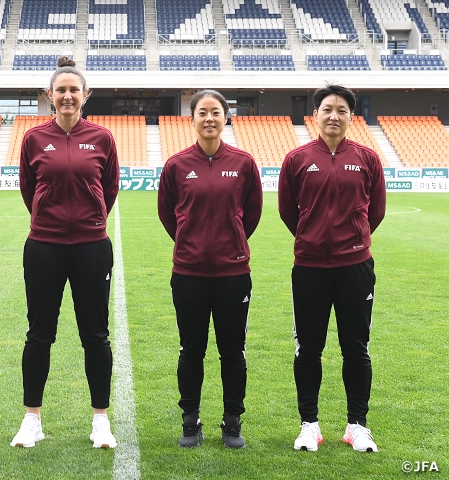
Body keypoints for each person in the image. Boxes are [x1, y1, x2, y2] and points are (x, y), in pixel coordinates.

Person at [12, 56, 120, 449]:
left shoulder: (103, 138)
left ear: (85, 95)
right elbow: (29, 188)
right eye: (61, 90)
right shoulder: (33, 139)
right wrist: (48, 219)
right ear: (50, 96)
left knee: (96, 335)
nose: (68, 96)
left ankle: (100, 421)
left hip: (92, 247)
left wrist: (90, 221)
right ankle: (31, 419)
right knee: (39, 334)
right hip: (44, 246)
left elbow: (109, 190)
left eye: (75, 90)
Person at [278, 83, 386, 453]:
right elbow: (288, 211)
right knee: (308, 348)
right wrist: (312, 239)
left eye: (342, 110)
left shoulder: (368, 158)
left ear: (351, 117)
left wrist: (352, 240)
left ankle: (357, 425)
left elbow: (376, 212)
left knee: (355, 348)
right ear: (316, 114)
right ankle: (309, 425)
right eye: (327, 109)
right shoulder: (296, 159)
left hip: (355, 267)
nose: (334, 115)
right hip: (308, 268)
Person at [158, 90, 263, 448]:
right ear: (192, 119)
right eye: (202, 112)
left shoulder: (245, 163)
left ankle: (232, 423)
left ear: (226, 118)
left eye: (215, 112)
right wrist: (190, 242)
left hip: (233, 273)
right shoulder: (175, 165)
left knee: (233, 351)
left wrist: (229, 242)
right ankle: (191, 422)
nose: (209, 118)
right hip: (188, 273)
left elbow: (252, 214)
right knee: (191, 350)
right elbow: (167, 214)